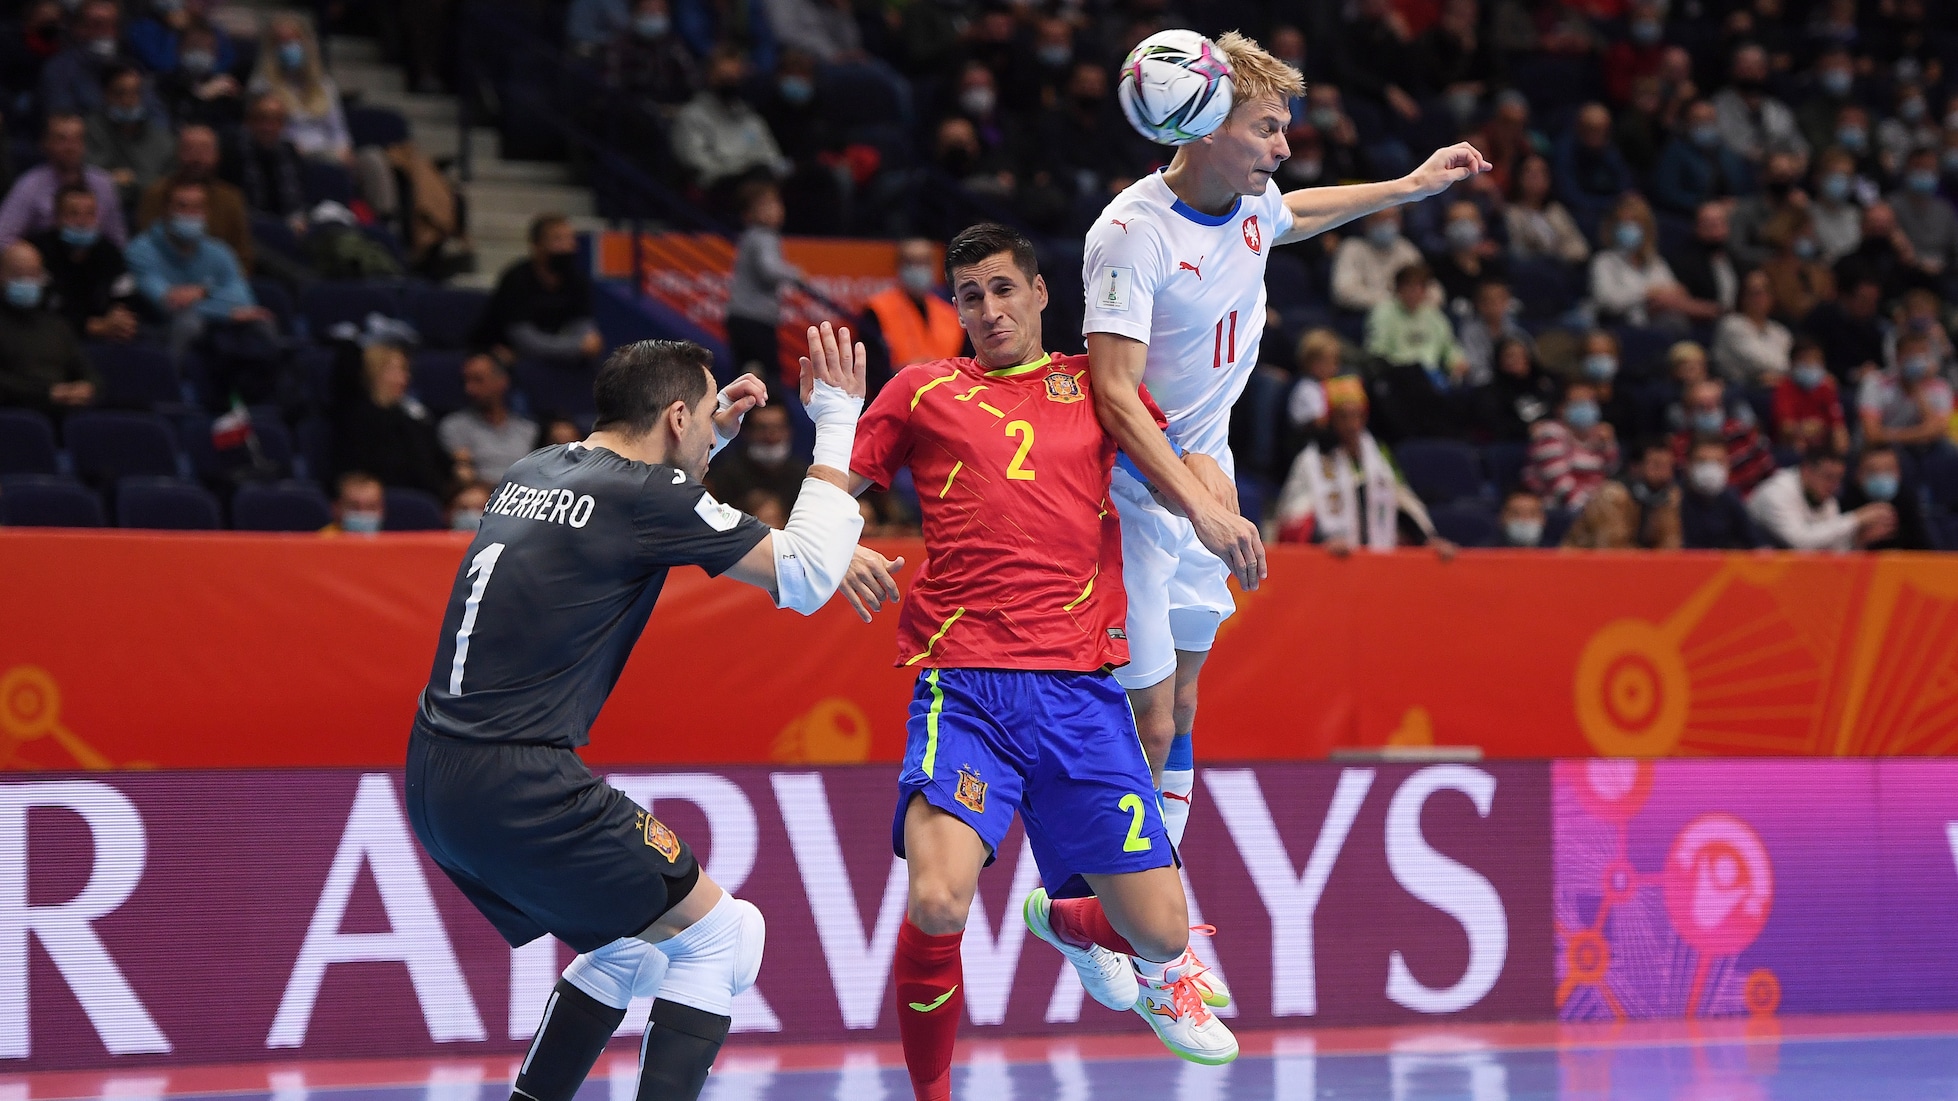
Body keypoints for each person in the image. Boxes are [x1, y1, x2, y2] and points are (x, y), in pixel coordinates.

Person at [412, 333, 875, 1101]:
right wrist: (836, 417)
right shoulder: (645, 497)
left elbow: (638, 497)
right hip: (518, 781)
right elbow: (804, 575)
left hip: (434, 774)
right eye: (703, 417)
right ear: (676, 416)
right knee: (726, 936)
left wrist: (710, 439)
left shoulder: (535, 468)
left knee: (631, 941)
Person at [1080, 28, 1489, 885]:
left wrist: (1410, 186)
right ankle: (1103, 909)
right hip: (1134, 495)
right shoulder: (1130, 234)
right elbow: (1114, 397)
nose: (1284, 146)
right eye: (1267, 128)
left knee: (1184, 704)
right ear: (1206, 126)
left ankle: (1157, 912)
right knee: (1147, 723)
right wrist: (1201, 507)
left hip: (1208, 478)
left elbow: (1294, 214)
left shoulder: (1251, 203)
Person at [842, 223, 1234, 1091]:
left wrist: (1212, 495)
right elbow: (833, 491)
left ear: (1040, 292)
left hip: (1079, 694)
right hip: (967, 687)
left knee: (1161, 934)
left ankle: (1066, 919)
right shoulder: (923, 388)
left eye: (1003, 288)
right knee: (937, 899)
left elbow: (1170, 463)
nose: (989, 309)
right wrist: (833, 537)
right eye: (970, 295)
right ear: (956, 309)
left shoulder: (1096, 385)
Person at [1272, 376, 1447, 553]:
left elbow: (1401, 501)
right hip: (1329, 557)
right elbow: (1295, 514)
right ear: (1331, 419)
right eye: (1343, 416)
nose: (1352, 424)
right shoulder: (1311, 461)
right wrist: (1323, 540)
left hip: (1375, 557)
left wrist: (1426, 539)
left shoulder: (1380, 455)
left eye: (1357, 415)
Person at [124, 179, 272, 362]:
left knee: (261, 324)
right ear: (166, 210)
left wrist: (203, 292)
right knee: (189, 322)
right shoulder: (140, 250)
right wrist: (228, 312)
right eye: (182, 206)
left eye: (197, 208)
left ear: (207, 212)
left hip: (218, 328)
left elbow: (244, 300)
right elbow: (168, 303)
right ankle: (174, 377)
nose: (190, 215)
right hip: (160, 327)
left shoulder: (220, 251)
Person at [471, 214, 603, 367]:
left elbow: (585, 330)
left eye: (570, 239)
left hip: (549, 354)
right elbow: (524, 341)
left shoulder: (577, 279)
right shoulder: (516, 279)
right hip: (498, 351)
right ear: (537, 246)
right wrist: (576, 348)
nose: (567, 246)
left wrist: (587, 343)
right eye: (558, 239)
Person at [335, 340, 452, 498]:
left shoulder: (413, 418)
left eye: (406, 371)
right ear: (375, 372)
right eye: (396, 370)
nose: (405, 378)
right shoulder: (357, 419)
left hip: (426, 497)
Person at [669, 48, 791, 193]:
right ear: (710, 75)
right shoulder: (691, 116)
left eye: (735, 77)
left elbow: (772, 157)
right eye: (725, 77)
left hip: (759, 183)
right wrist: (740, 172)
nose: (731, 82)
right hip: (718, 188)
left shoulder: (750, 117)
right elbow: (698, 166)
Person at [28, 185, 137, 343]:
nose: (82, 222)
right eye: (73, 214)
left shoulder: (109, 252)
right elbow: (42, 311)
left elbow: (125, 296)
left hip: (107, 335)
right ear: (57, 218)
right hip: (52, 337)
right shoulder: (37, 253)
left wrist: (120, 320)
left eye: (90, 214)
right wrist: (94, 327)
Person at [138, 124, 253, 272]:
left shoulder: (231, 198)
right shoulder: (156, 194)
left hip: (220, 278)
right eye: (190, 149)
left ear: (217, 155)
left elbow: (243, 254)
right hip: (166, 277)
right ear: (178, 153)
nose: (197, 158)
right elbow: (147, 248)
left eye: (204, 150)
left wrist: (226, 281)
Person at [0, 114, 127, 247]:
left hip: (93, 256)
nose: (70, 147)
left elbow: (118, 241)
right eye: (62, 139)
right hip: (45, 256)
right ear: (46, 143)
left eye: (77, 139)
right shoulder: (30, 185)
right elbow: (3, 236)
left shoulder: (103, 184)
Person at [0, 241, 96, 416]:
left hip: (65, 411)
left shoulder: (57, 325)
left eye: (32, 274)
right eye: (18, 274)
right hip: (14, 414)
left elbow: (86, 371)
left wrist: (87, 388)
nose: (26, 281)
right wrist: (47, 393)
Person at [860, 238, 964, 391]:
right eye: (911, 262)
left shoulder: (951, 314)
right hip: (896, 394)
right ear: (899, 266)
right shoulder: (877, 310)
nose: (918, 270)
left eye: (924, 262)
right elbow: (872, 371)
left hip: (947, 395)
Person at [1747, 445, 1894, 550]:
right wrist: (1856, 518)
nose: (1835, 486)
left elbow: (1830, 551)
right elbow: (1801, 543)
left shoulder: (1827, 499)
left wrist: (1857, 542)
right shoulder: (1776, 494)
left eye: (1839, 478)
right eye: (1829, 477)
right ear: (1806, 471)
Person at [1590, 193, 1703, 328]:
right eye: (1623, 222)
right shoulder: (1604, 261)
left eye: (1634, 222)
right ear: (1613, 226)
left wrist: (1670, 294)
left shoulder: (1656, 262)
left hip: (1659, 320)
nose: (1628, 227)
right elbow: (1606, 300)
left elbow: (1671, 291)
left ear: (1645, 228)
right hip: (1621, 325)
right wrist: (1647, 293)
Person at [725, 180, 796, 379]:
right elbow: (769, 270)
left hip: (740, 317)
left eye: (776, 203)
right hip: (755, 319)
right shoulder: (764, 236)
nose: (775, 209)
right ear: (748, 214)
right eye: (766, 205)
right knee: (768, 378)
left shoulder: (750, 236)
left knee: (744, 376)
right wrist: (796, 275)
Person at [1562, 438, 1682, 550]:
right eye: (1656, 466)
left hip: (1637, 560)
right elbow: (1614, 550)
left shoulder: (1668, 497)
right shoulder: (1611, 495)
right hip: (1579, 561)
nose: (1665, 475)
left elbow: (1671, 547)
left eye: (1668, 467)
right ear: (1635, 467)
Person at [438, 354, 538, 486]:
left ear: (502, 382)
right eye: (466, 381)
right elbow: (463, 476)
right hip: (481, 494)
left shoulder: (529, 430)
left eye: (478, 380)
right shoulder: (454, 426)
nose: (469, 389)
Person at [83, 63, 173, 210]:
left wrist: (132, 181)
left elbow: (167, 187)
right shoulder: (90, 130)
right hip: (101, 210)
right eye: (120, 93)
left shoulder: (162, 139)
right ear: (106, 95)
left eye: (135, 93)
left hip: (151, 210)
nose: (128, 101)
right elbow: (91, 179)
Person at [1670, 379, 1776, 496]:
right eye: (1701, 407)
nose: (1709, 411)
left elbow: (1770, 472)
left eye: (1714, 405)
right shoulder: (1678, 445)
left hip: (1751, 498)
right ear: (1687, 412)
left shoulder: (1742, 432)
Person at [1524, 381, 1619, 511]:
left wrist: (1608, 444)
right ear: (1560, 408)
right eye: (1578, 402)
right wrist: (1591, 510)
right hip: (1560, 509)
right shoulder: (1550, 433)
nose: (1585, 407)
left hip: (1593, 505)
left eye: (1589, 401)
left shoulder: (1597, 434)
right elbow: (1560, 486)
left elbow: (1611, 471)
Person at [1366, 261, 1465, 383]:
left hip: (1431, 373)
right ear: (1398, 288)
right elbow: (1376, 353)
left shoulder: (1434, 315)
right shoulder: (1383, 313)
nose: (1415, 292)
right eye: (1410, 287)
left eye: (1421, 287)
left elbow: (1450, 347)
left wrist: (1457, 362)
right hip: (1398, 375)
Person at [1710, 43, 1807, 166]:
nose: (1751, 71)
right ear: (1733, 69)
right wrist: (1768, 160)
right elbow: (1730, 145)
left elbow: (1799, 146)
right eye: (1745, 66)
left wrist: (1797, 162)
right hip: (1738, 169)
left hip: (1781, 169)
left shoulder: (1777, 109)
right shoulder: (1717, 107)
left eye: (1757, 65)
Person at [1651, 99, 1752, 215]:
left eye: (1709, 119)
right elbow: (1666, 193)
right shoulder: (1675, 152)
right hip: (1692, 214)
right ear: (1687, 123)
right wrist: (1702, 204)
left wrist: (1738, 203)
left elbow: (1748, 186)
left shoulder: (1728, 150)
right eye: (1699, 120)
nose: (1705, 124)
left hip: (1734, 212)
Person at [1858, 332, 1953, 454]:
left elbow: (1938, 429)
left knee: (1948, 452)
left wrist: (1917, 387)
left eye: (1922, 352)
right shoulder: (1875, 382)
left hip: (1920, 447)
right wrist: (1921, 434)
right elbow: (1872, 434)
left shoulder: (1941, 387)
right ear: (1898, 357)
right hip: (1884, 447)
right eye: (1911, 352)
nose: (1917, 357)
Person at [705, 400, 804, 508]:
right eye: (762, 428)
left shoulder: (803, 477)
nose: (770, 436)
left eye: (777, 427)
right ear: (747, 432)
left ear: (789, 431)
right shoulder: (724, 477)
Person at [1551, 102, 1634, 228]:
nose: (1597, 134)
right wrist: (1610, 204)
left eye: (1602, 129)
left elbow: (1625, 187)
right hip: (1575, 213)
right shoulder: (1565, 151)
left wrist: (1617, 203)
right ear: (1579, 128)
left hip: (1607, 210)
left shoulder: (1611, 151)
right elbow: (1569, 195)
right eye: (1591, 128)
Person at [1330, 207, 1424, 312]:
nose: (1386, 224)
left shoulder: (1406, 250)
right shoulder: (1352, 248)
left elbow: (1431, 289)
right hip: (1362, 314)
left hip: (1402, 314)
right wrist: (1393, 301)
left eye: (1391, 218)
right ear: (1366, 223)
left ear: (1400, 222)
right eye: (1379, 218)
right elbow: (1344, 293)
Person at [1712, 270, 1795, 387]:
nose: (1761, 297)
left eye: (1766, 291)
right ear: (1743, 296)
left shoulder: (1780, 331)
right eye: (1755, 293)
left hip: (1776, 386)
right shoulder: (1731, 324)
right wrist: (1790, 374)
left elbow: (1792, 361)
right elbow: (1758, 363)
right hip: (1738, 388)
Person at [1840, 445, 1930, 550]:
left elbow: (1925, 548)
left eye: (1888, 470)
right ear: (1858, 474)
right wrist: (1860, 541)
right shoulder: (1845, 502)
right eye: (1872, 471)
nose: (1881, 476)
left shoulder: (1907, 500)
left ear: (1899, 473)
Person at [1503, 153, 1589, 264]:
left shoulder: (1556, 210)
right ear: (1519, 178)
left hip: (1564, 266)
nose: (1537, 178)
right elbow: (1518, 251)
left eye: (1542, 173)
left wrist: (1563, 256)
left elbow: (1580, 247)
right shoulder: (1512, 213)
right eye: (1531, 173)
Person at [1467, 335, 1555, 442]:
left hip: (1551, 436)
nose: (1517, 360)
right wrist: (1526, 429)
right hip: (1515, 443)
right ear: (1499, 360)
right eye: (1510, 356)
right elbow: (1497, 425)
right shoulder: (1491, 393)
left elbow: (1556, 410)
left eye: (1522, 355)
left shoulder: (1545, 383)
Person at [1889, 148, 1958, 283]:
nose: (1924, 173)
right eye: (1919, 167)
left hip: (1943, 274)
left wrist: (1945, 267)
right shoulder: (1890, 206)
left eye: (1929, 168)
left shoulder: (1945, 209)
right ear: (1906, 169)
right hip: (1904, 272)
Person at [1678, 438, 1760, 548]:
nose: (1710, 469)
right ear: (1687, 465)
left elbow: (1756, 543)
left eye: (1718, 462)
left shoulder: (1731, 498)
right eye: (1702, 461)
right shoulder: (1675, 499)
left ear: (1728, 466)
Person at [1772, 339, 1849, 455]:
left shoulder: (1826, 388)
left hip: (1824, 448)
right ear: (1793, 363)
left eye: (1816, 360)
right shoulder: (1784, 388)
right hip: (1795, 447)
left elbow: (1839, 426)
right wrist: (1804, 428)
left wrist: (1840, 453)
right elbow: (1785, 429)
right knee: (1798, 444)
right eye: (1806, 360)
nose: (1811, 364)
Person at [1666, 200, 1739, 314]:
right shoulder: (1683, 262)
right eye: (1708, 224)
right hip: (1705, 319)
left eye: (1719, 222)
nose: (1715, 229)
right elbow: (1680, 301)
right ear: (1697, 227)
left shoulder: (1736, 259)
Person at [1429, 200, 1505, 309]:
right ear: (1445, 228)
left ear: (1481, 224)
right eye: (1455, 221)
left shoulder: (1495, 269)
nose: (1462, 226)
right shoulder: (1436, 270)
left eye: (1468, 220)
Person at [1456, 279, 1531, 388]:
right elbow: (1475, 370)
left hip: (1515, 384)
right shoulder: (1469, 331)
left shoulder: (1515, 329)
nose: (1494, 305)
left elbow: (1528, 363)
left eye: (1499, 300)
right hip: (1486, 386)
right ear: (1478, 304)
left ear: (1507, 301)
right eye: (1487, 301)